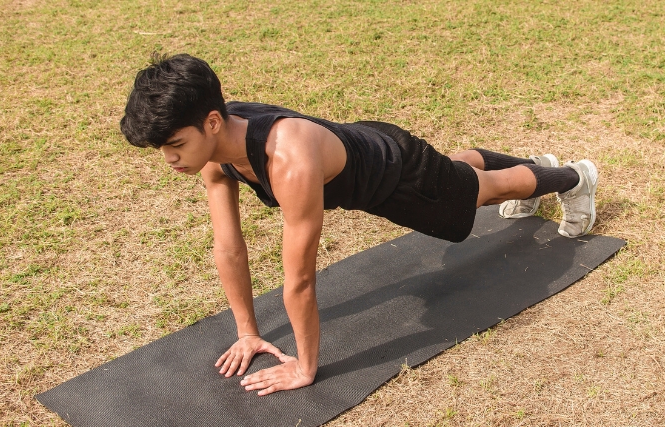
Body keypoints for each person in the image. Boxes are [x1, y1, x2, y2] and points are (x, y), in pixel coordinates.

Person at [120, 53, 598, 396]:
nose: (169, 159)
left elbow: (301, 280)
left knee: (479, 193)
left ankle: (574, 177)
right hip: (368, 148)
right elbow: (229, 249)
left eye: (175, 144)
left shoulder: (288, 161)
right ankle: (536, 165)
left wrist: (305, 368)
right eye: (161, 148)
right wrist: (248, 331)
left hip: (399, 177)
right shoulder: (213, 146)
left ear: (211, 123)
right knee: (459, 173)